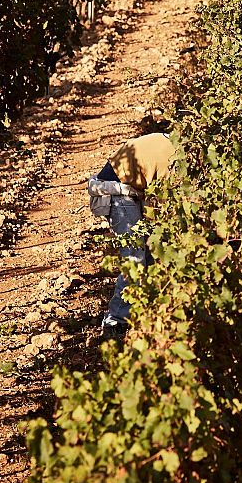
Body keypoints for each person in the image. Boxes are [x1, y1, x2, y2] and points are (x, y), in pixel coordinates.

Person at [87, 114, 175, 340]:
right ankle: (115, 321)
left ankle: (149, 308)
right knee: (135, 257)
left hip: (132, 182)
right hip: (117, 189)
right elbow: (160, 205)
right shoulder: (176, 166)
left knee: (151, 252)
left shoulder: (178, 148)